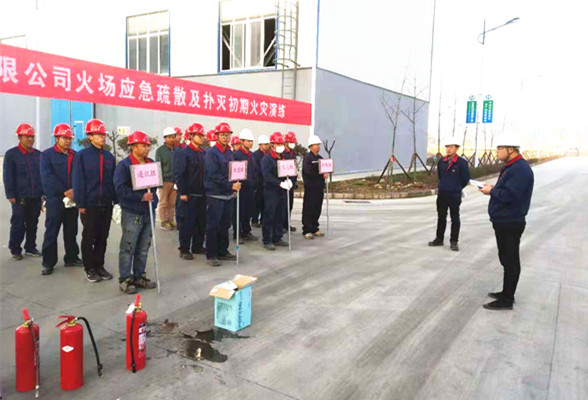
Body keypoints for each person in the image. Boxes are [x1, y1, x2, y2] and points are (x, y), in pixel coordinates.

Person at [480, 136, 534, 310]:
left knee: (510, 260)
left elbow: (510, 195)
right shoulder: (512, 167)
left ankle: (507, 299)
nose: (497, 152)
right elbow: (506, 190)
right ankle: (506, 292)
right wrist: (492, 188)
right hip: (503, 220)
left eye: (499, 148)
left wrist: (491, 192)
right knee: (505, 258)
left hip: (511, 221)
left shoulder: (520, 169)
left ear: (511, 149)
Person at [113, 131, 159, 294]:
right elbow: (120, 189)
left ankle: (139, 276)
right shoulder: (124, 166)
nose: (147, 148)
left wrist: (152, 197)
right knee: (128, 247)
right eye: (143, 145)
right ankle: (125, 279)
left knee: (143, 247)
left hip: (148, 211)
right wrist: (140, 197)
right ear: (133, 147)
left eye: (148, 145)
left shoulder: (150, 163)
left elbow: (155, 184)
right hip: (132, 213)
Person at [73, 119, 117, 283]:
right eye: (98, 134)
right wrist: (80, 203)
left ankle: (99, 265)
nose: (102, 137)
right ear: (90, 136)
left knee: (102, 237)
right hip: (89, 204)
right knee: (89, 236)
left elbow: (113, 180)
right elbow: (78, 180)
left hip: (106, 203)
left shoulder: (109, 157)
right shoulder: (82, 156)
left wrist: (115, 201)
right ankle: (89, 268)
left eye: (103, 134)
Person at [40, 123, 82, 275]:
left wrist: (74, 190)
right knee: (52, 231)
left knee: (71, 231)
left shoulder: (75, 155)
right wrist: (65, 191)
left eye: (69, 138)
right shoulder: (47, 155)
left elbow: (80, 175)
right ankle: (48, 262)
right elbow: (47, 177)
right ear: (56, 138)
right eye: (64, 138)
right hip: (55, 200)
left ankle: (71, 257)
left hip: (72, 200)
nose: (68, 141)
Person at [3, 123, 43, 260]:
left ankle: (30, 247)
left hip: (35, 196)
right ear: (19, 137)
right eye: (27, 137)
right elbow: (8, 176)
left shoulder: (38, 155)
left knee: (33, 223)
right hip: (20, 197)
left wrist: (43, 193)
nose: (30, 139)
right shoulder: (11, 155)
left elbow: (42, 175)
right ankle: (15, 248)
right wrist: (10, 194)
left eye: (32, 137)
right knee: (18, 224)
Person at [204, 122, 241, 266]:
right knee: (213, 225)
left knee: (225, 224)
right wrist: (230, 185)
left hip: (228, 195)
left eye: (228, 135)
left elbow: (233, 171)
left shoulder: (230, 153)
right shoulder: (211, 153)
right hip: (215, 194)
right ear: (217, 136)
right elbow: (214, 175)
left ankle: (222, 250)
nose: (226, 137)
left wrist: (235, 186)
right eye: (223, 135)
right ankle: (211, 254)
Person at [428, 140, 471, 251]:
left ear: (456, 148)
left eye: (451, 147)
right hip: (442, 194)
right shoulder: (441, 161)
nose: (448, 149)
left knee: (455, 218)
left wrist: (456, 187)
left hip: (454, 194)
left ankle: (454, 241)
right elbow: (440, 176)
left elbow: (465, 179)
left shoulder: (462, 163)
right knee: (441, 217)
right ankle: (439, 238)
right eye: (447, 147)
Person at [172, 123, 207, 260]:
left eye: (202, 135)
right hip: (188, 194)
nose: (201, 138)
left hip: (202, 194)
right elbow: (179, 174)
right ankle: (185, 248)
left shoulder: (203, 153)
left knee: (200, 222)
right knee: (187, 223)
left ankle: (198, 245)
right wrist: (183, 192)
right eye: (199, 135)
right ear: (191, 136)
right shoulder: (183, 153)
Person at [261, 132, 290, 250]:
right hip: (271, 191)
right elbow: (266, 175)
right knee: (269, 215)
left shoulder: (284, 157)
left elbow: (290, 170)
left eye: (281, 144)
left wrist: (290, 181)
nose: (280, 146)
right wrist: (279, 183)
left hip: (282, 191)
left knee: (280, 214)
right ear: (272, 145)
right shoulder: (267, 159)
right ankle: (267, 239)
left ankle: (277, 237)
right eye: (278, 144)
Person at [232, 128, 258, 243]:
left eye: (251, 141)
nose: (250, 143)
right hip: (240, 188)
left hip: (250, 188)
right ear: (242, 141)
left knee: (248, 211)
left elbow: (255, 170)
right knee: (239, 212)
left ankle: (246, 231)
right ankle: (237, 233)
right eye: (248, 141)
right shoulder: (236, 155)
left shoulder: (252, 155)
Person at [302, 135, 328, 239]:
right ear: (310, 146)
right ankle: (307, 229)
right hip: (310, 187)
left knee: (317, 208)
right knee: (309, 208)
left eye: (318, 145)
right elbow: (308, 172)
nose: (318, 146)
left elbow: (324, 169)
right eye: (315, 145)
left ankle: (314, 227)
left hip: (319, 187)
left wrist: (326, 173)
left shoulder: (320, 158)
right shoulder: (307, 158)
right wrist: (320, 174)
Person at [155, 127, 177, 230]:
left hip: (175, 181)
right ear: (165, 138)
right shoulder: (160, 151)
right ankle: (163, 221)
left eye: (173, 137)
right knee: (163, 202)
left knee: (172, 203)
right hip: (164, 180)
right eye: (169, 137)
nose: (172, 139)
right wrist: (159, 182)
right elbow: (158, 166)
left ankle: (170, 220)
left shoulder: (177, 150)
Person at [252, 134, 270, 228]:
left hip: (266, 183)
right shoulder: (255, 155)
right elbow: (256, 168)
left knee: (265, 203)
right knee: (257, 202)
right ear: (260, 145)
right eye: (265, 144)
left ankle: (263, 219)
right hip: (259, 182)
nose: (267, 146)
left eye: (267, 144)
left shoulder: (268, 154)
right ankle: (254, 220)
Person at [283, 131, 299, 232]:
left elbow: (294, 167)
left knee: (290, 205)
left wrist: (295, 180)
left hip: (291, 183)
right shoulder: (282, 154)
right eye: (290, 142)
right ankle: (281, 225)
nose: (292, 144)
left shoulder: (292, 153)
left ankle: (286, 224)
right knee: (283, 206)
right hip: (284, 183)